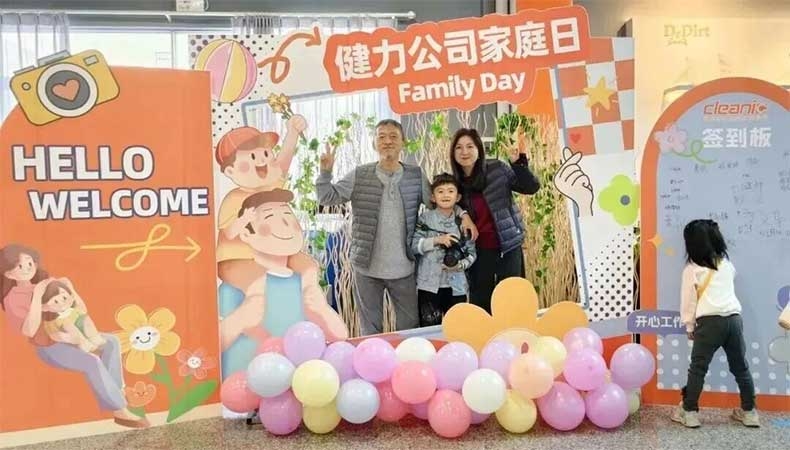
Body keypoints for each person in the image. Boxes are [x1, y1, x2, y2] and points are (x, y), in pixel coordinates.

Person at [317, 119, 478, 335]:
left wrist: (463, 214)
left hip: (404, 268)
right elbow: (327, 197)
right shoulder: (359, 174)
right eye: (381, 137)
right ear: (374, 143)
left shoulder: (415, 175)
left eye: (393, 136)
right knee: (370, 331)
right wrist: (325, 173)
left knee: (409, 329)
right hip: (366, 268)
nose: (387, 141)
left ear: (403, 142)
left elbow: (439, 203)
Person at [1, 244, 147, 428]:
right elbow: (29, 331)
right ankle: (119, 409)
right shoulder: (13, 298)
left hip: (72, 332)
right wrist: (37, 297)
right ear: (9, 274)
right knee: (91, 361)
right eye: (20, 266)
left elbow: (80, 310)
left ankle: (116, 392)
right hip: (50, 346)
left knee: (111, 341)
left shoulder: (48, 283)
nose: (27, 269)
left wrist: (71, 287)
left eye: (30, 263)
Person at [219, 189, 348, 376]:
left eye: (288, 216)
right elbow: (216, 343)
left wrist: (320, 309)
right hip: (246, 381)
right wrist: (241, 318)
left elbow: (340, 335)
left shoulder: (304, 283)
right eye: (271, 218)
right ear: (246, 234)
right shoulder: (238, 285)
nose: (286, 225)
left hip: (297, 381)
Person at [672, 219, 759, 428]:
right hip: (734, 321)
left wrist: (689, 326)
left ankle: (690, 413)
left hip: (709, 323)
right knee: (741, 368)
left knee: (698, 369)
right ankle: (750, 412)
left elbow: (688, 301)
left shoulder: (692, 270)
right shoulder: (727, 265)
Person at [449, 128, 540, 312]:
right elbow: (446, 207)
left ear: (479, 149)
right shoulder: (454, 183)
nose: (464, 152)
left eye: (470, 146)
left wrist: (518, 163)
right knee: (481, 304)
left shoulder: (497, 168)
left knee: (512, 303)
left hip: (508, 247)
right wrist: (464, 215)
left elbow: (530, 187)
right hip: (478, 252)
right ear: (453, 153)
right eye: (459, 147)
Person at [215, 115, 307, 292]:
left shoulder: (271, 186)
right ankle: (254, 308)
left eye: (265, 154)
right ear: (231, 171)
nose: (262, 160)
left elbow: (283, 162)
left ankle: (313, 302)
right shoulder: (234, 199)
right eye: (252, 157)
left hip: (273, 255)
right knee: (262, 283)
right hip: (238, 260)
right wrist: (243, 220)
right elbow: (229, 233)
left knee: (307, 266)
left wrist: (293, 132)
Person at [411, 173, 476, 326]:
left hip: (457, 287)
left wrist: (459, 265)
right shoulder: (425, 219)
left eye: (450, 191)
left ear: (458, 197)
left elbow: (472, 253)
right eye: (440, 191)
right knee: (429, 329)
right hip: (428, 286)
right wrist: (436, 240)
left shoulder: (463, 222)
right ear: (433, 197)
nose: (446, 195)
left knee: (458, 328)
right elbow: (414, 246)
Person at [40, 279, 106, 353]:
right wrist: (66, 337)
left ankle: (94, 338)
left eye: (64, 298)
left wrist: (71, 288)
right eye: (55, 302)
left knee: (86, 319)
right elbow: (54, 334)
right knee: (69, 326)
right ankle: (86, 345)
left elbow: (83, 310)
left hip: (82, 329)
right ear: (45, 307)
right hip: (70, 335)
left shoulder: (73, 309)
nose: (62, 303)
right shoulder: (53, 321)